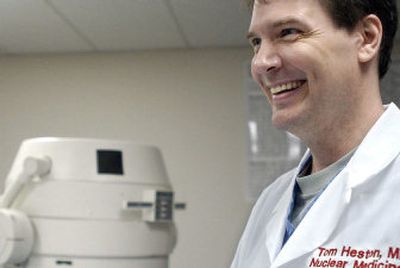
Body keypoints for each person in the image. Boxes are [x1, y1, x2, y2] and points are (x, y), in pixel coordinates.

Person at [231, 0, 400, 267]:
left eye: (288, 32)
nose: (261, 62)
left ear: (367, 38)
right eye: (256, 42)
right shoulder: (270, 202)